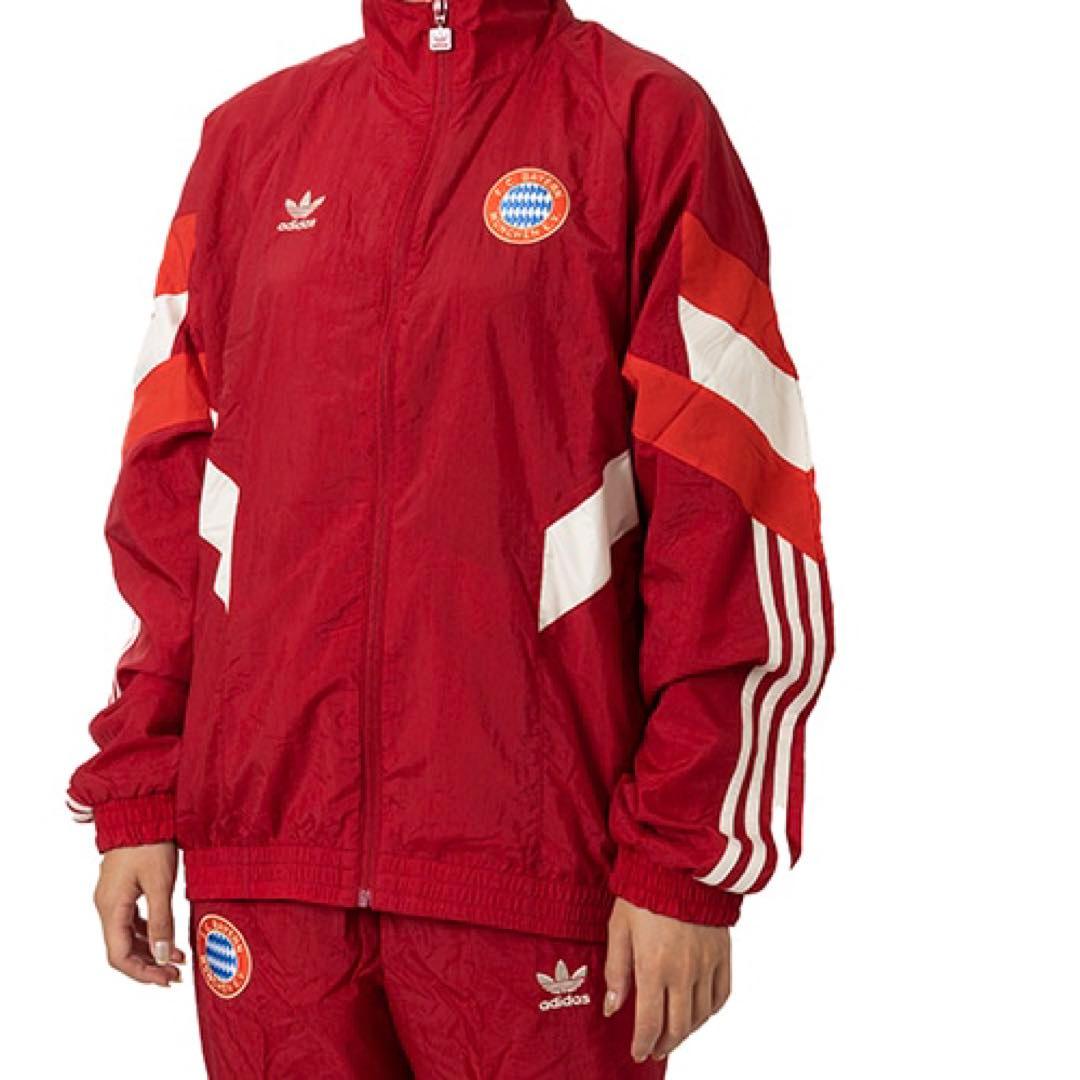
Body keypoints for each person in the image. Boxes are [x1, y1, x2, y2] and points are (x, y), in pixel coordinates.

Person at [67, 0, 834, 1075]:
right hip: (269, 862)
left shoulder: (643, 122)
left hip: (537, 865)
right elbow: (171, 498)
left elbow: (732, 507)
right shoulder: (248, 141)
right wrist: (140, 783)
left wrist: (687, 857)